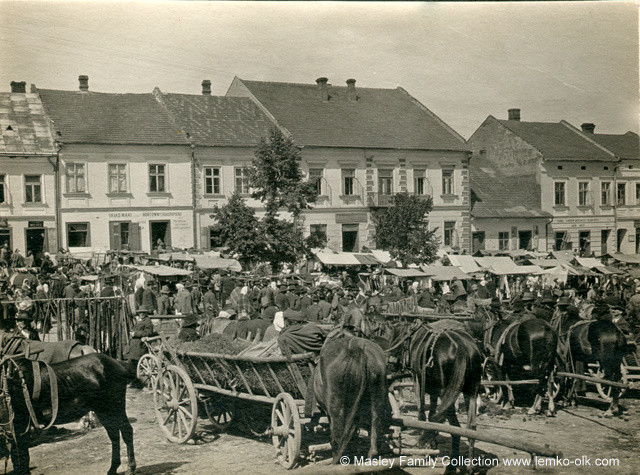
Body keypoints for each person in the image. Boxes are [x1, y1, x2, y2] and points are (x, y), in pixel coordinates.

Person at [126, 307, 156, 384]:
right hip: (134, 345)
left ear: (146, 313)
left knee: (134, 363)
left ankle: (134, 381)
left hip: (140, 345)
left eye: (143, 313)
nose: (141, 314)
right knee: (131, 363)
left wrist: (135, 334)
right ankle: (132, 381)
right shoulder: (140, 320)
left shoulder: (147, 321)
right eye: (140, 313)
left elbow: (149, 332)